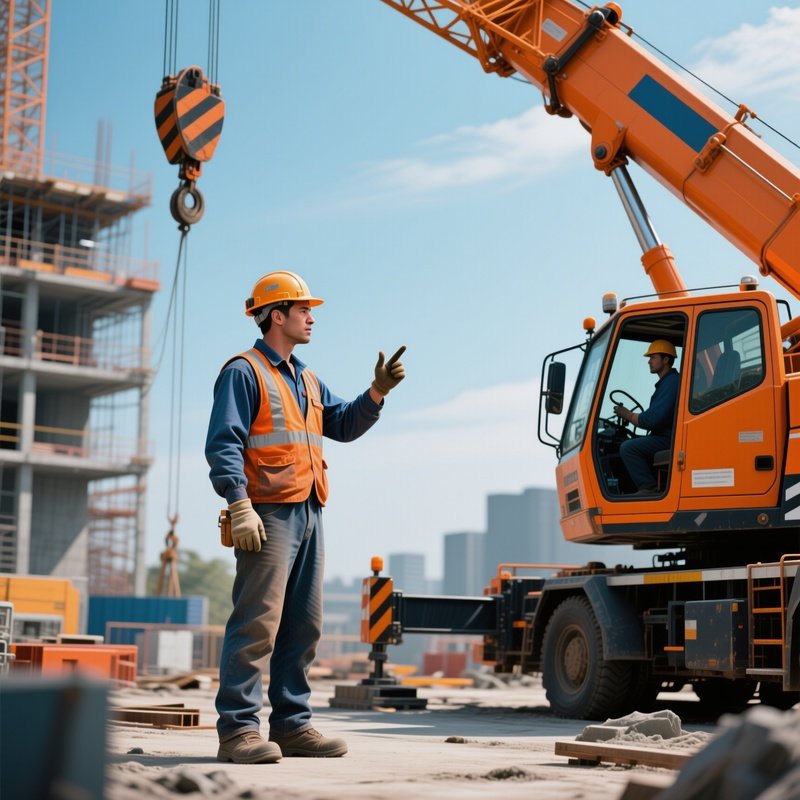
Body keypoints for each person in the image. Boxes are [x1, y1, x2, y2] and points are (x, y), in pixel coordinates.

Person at [205, 270, 406, 764]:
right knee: (257, 623)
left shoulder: (307, 378)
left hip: (310, 510)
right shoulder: (243, 371)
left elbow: (342, 423)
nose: (311, 318)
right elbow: (224, 442)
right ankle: (238, 732)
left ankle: (291, 726)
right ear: (278, 316)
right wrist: (238, 502)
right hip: (267, 513)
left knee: (303, 625)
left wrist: (376, 391)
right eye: (303, 310)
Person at [613, 339, 680, 494]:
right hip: (665, 436)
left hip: (669, 439)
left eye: (653, 357)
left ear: (665, 359)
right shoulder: (667, 382)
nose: (649, 362)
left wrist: (628, 415)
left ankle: (649, 487)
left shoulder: (671, 382)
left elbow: (654, 418)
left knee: (628, 448)